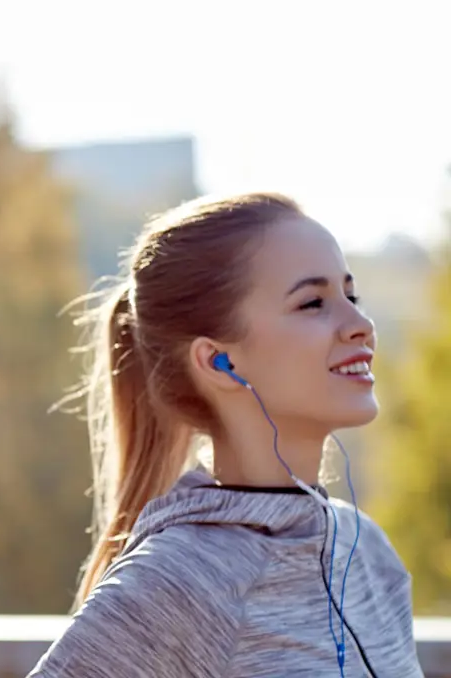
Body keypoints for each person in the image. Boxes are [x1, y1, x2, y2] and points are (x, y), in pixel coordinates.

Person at [29, 193, 422, 677]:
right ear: (220, 361)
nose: (361, 326)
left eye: (351, 296)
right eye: (313, 303)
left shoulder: (367, 556)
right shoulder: (175, 581)